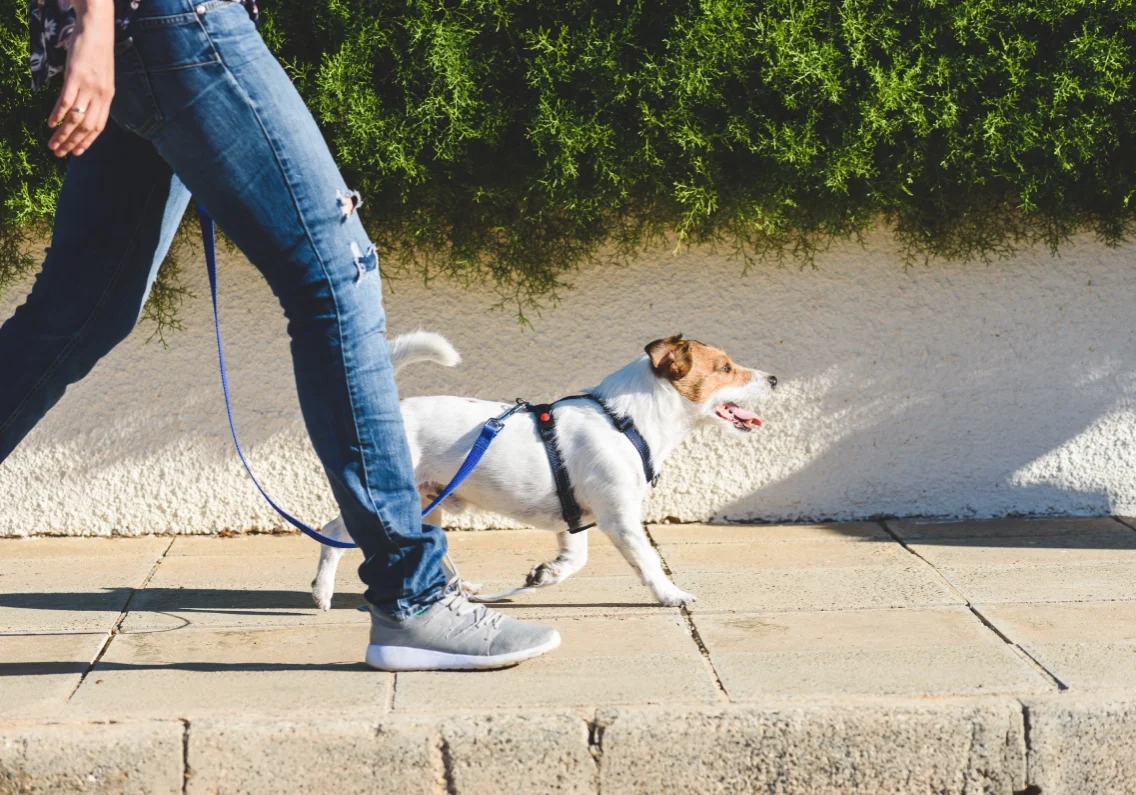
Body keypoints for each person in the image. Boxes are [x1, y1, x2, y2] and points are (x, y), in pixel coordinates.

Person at [7, 0, 560, 670]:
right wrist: (97, 22)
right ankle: (413, 595)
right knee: (336, 274)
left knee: (81, 310)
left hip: (151, 30)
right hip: (172, 19)